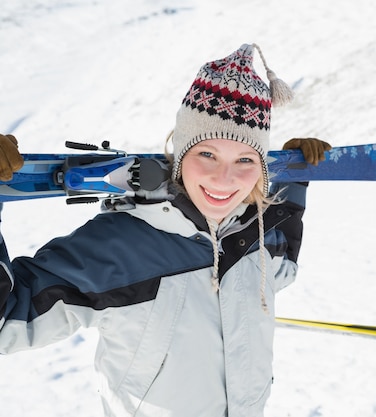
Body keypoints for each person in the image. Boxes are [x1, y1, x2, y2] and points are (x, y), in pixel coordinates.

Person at [0, 43, 331, 417]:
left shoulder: (259, 236)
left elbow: (283, 258)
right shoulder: (119, 247)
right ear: (180, 154)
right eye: (207, 154)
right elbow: (7, 320)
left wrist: (296, 175)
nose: (225, 178)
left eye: (245, 159)